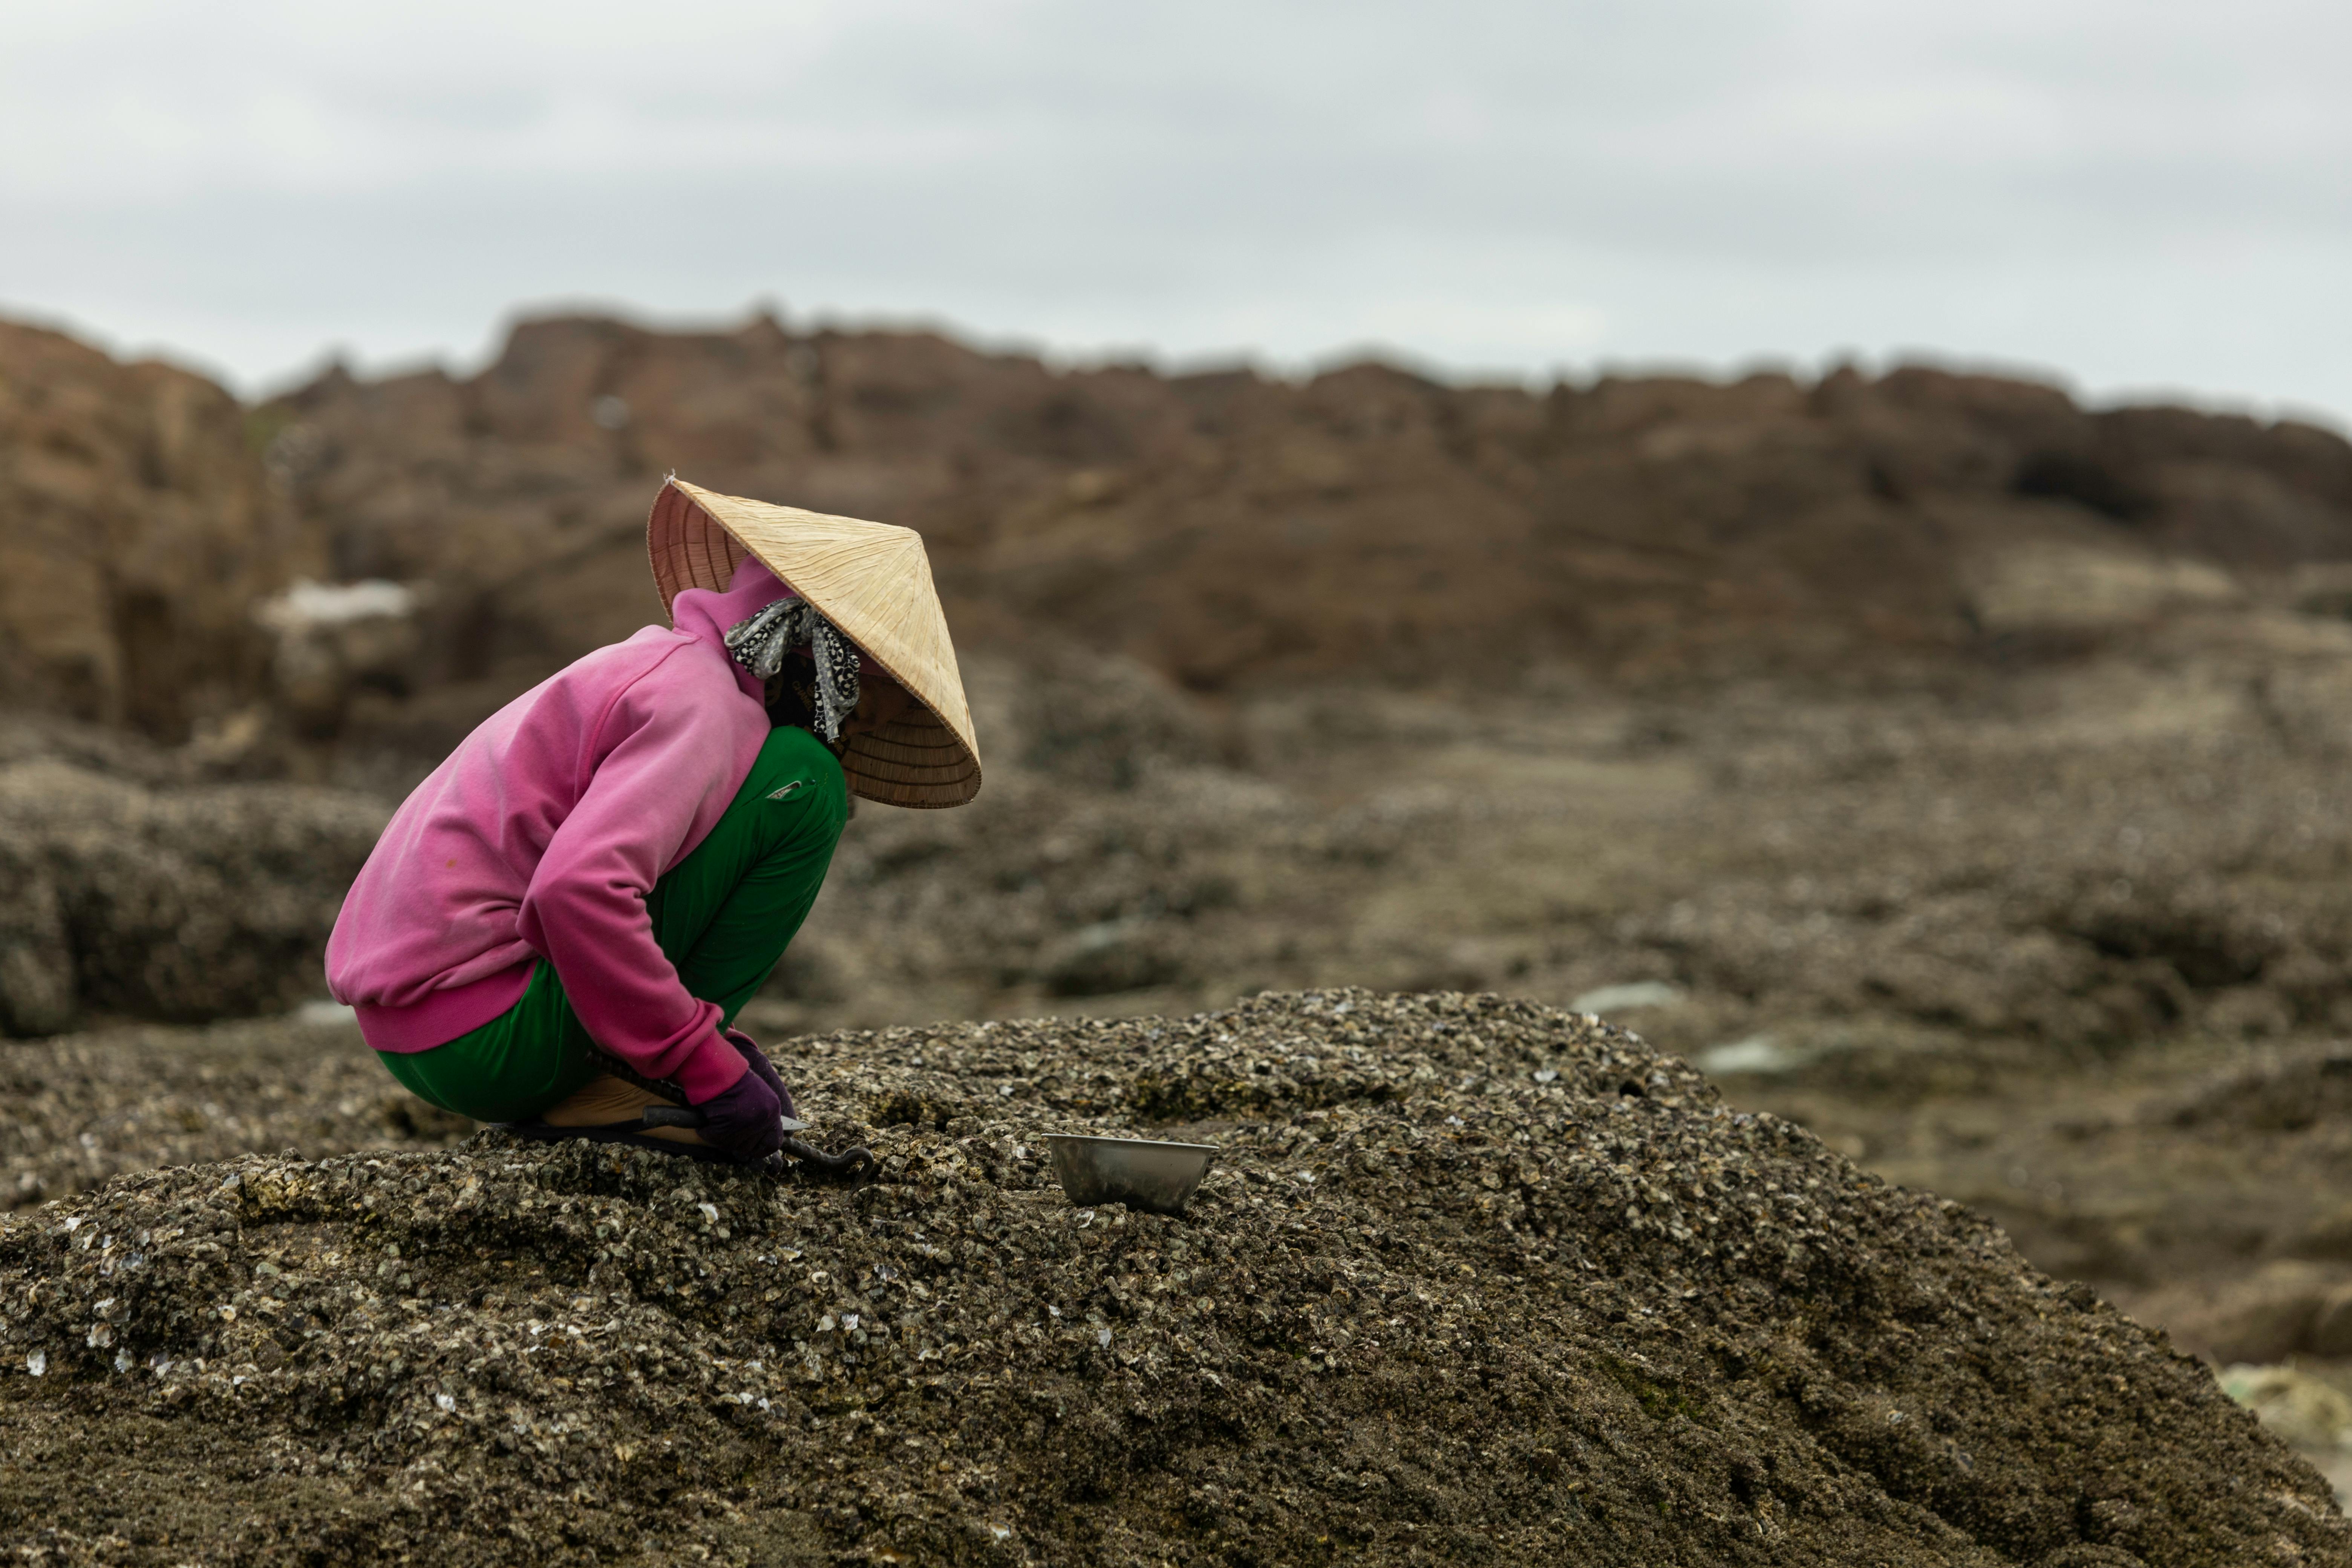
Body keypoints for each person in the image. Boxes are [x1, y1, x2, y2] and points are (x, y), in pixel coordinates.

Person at [324, 478, 983, 1164]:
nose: (848, 734)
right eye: (859, 707)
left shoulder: (656, 667)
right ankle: (639, 1071)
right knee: (808, 782)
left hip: (416, 1035)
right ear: (821, 659)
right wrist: (701, 1064)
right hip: (487, 1041)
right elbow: (574, 892)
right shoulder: (702, 706)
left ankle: (636, 1061)